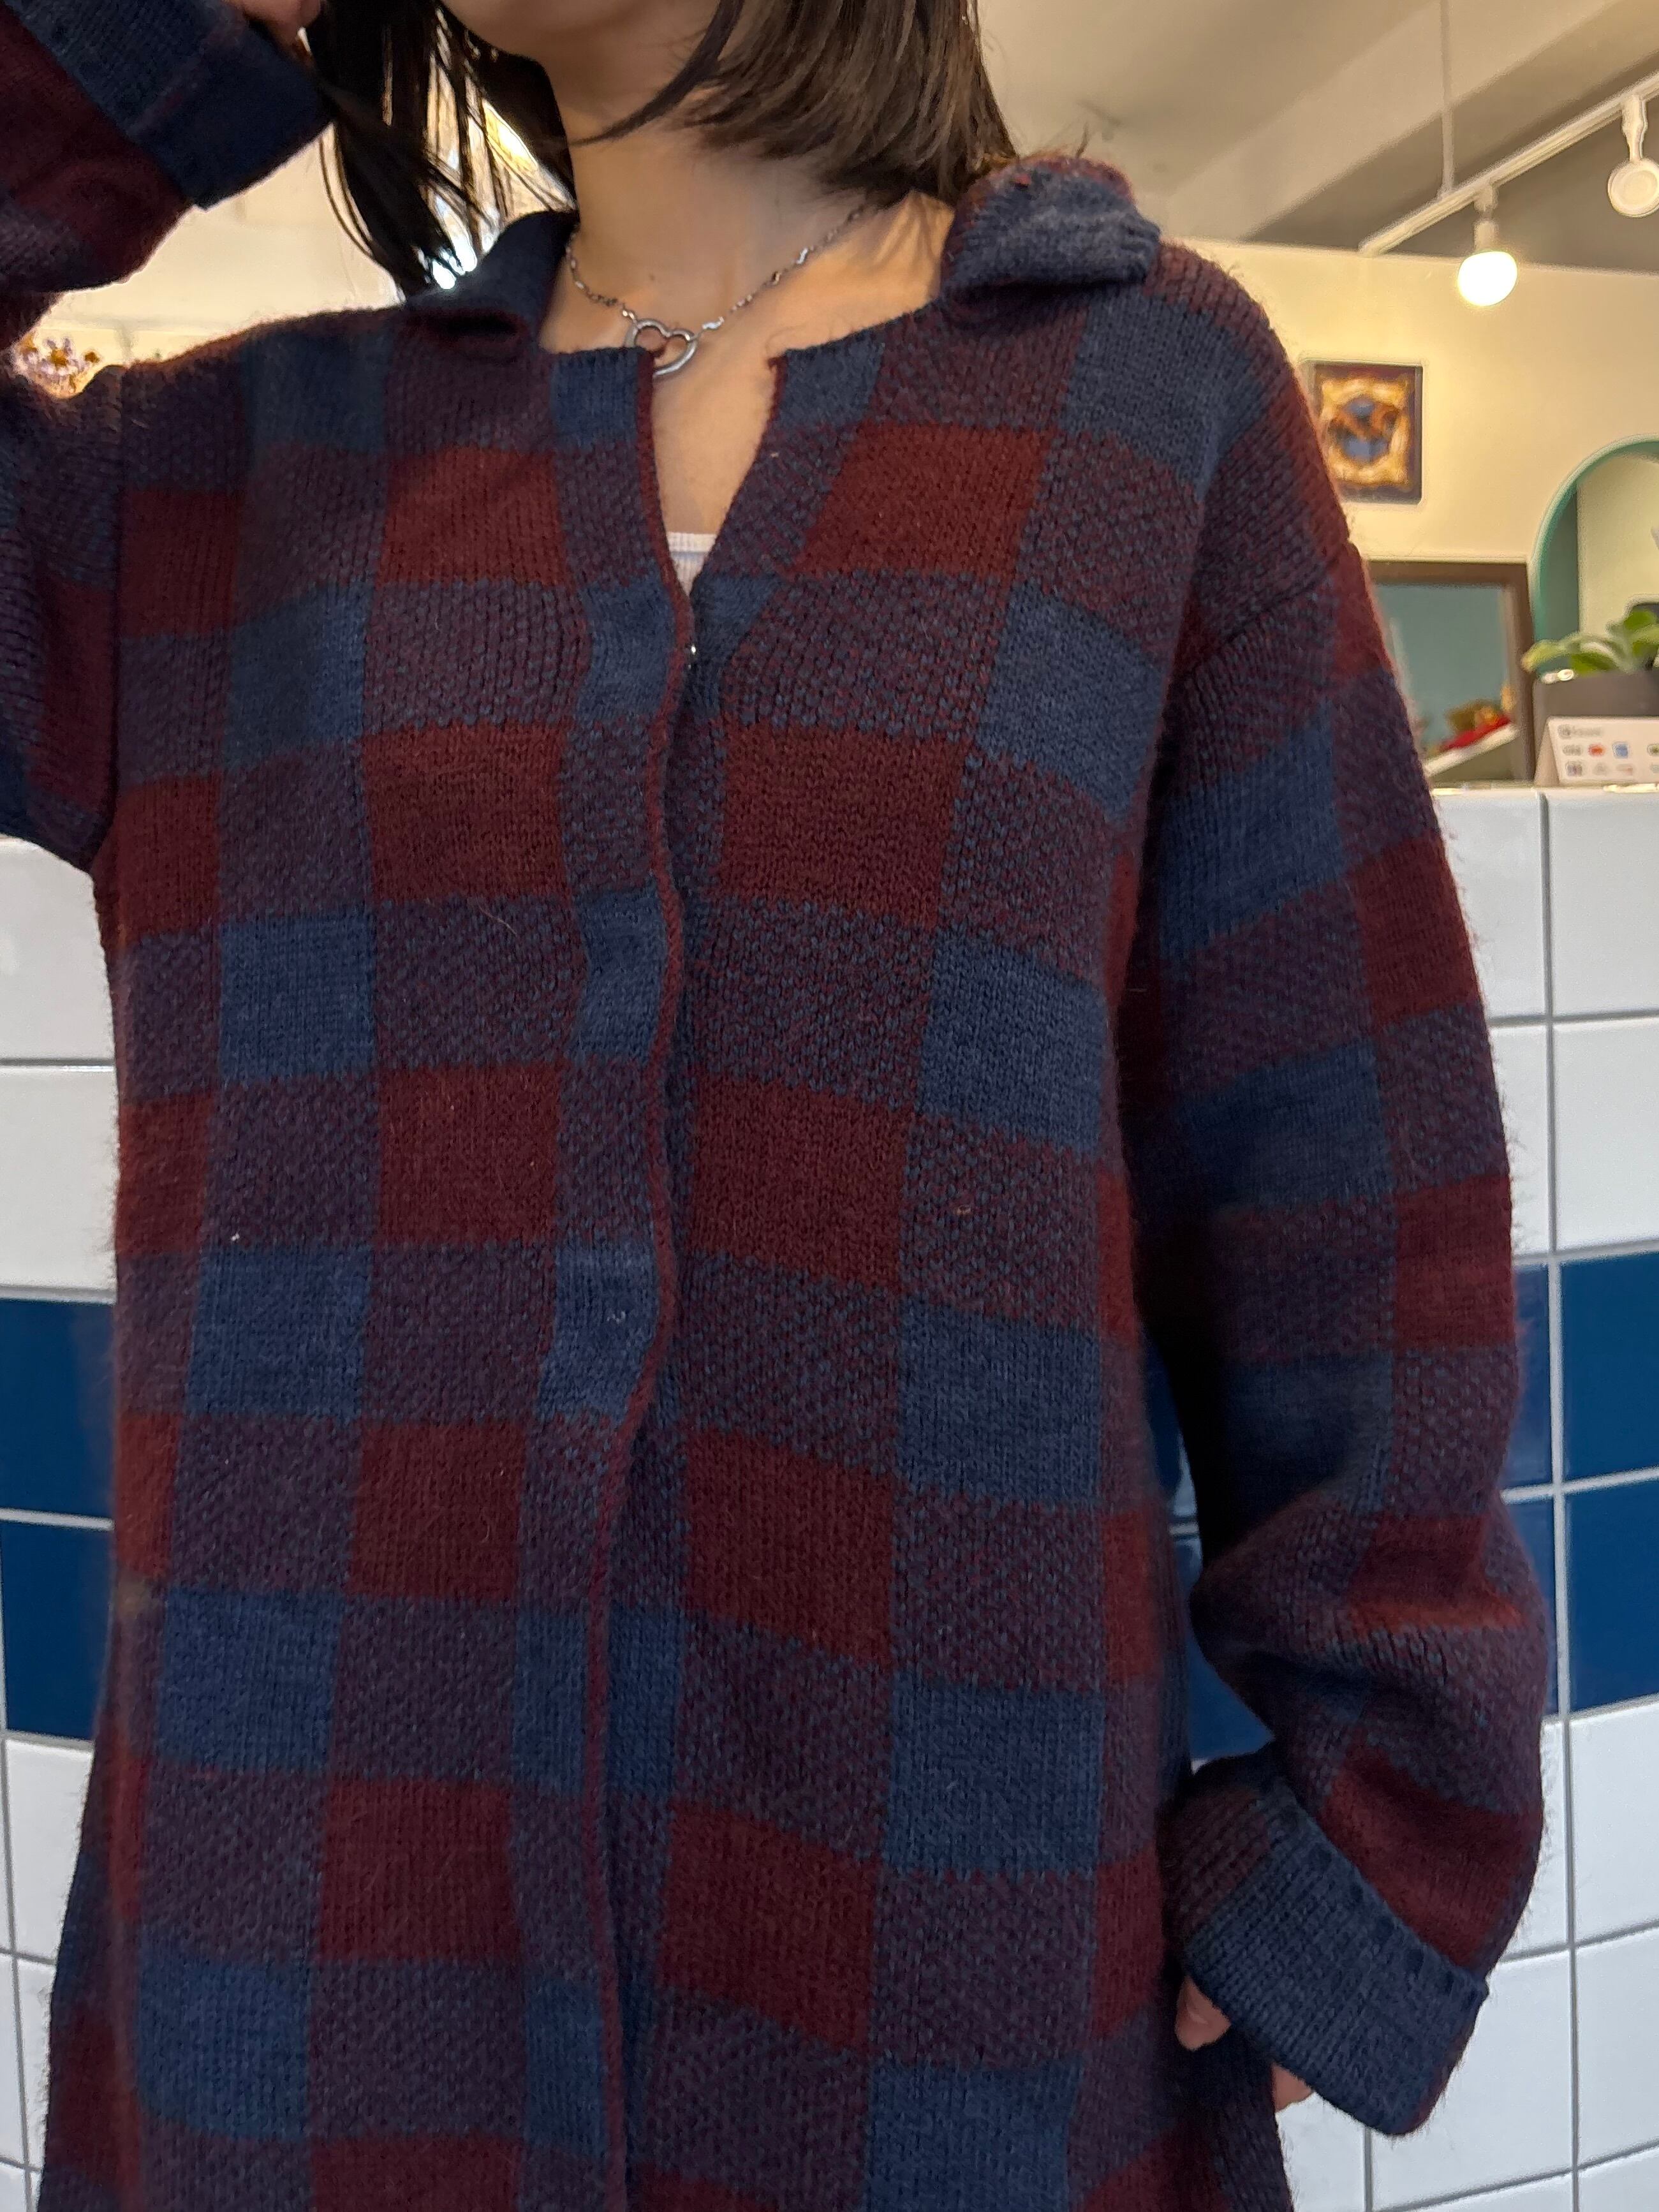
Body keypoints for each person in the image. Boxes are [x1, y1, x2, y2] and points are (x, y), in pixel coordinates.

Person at [0, 0, 1552, 2206]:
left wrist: (1370, 1817)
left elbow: (1347, 1177)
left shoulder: (1142, 397)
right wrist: (155, 36)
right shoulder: (211, 479)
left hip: (956, 1976)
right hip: (305, 1994)